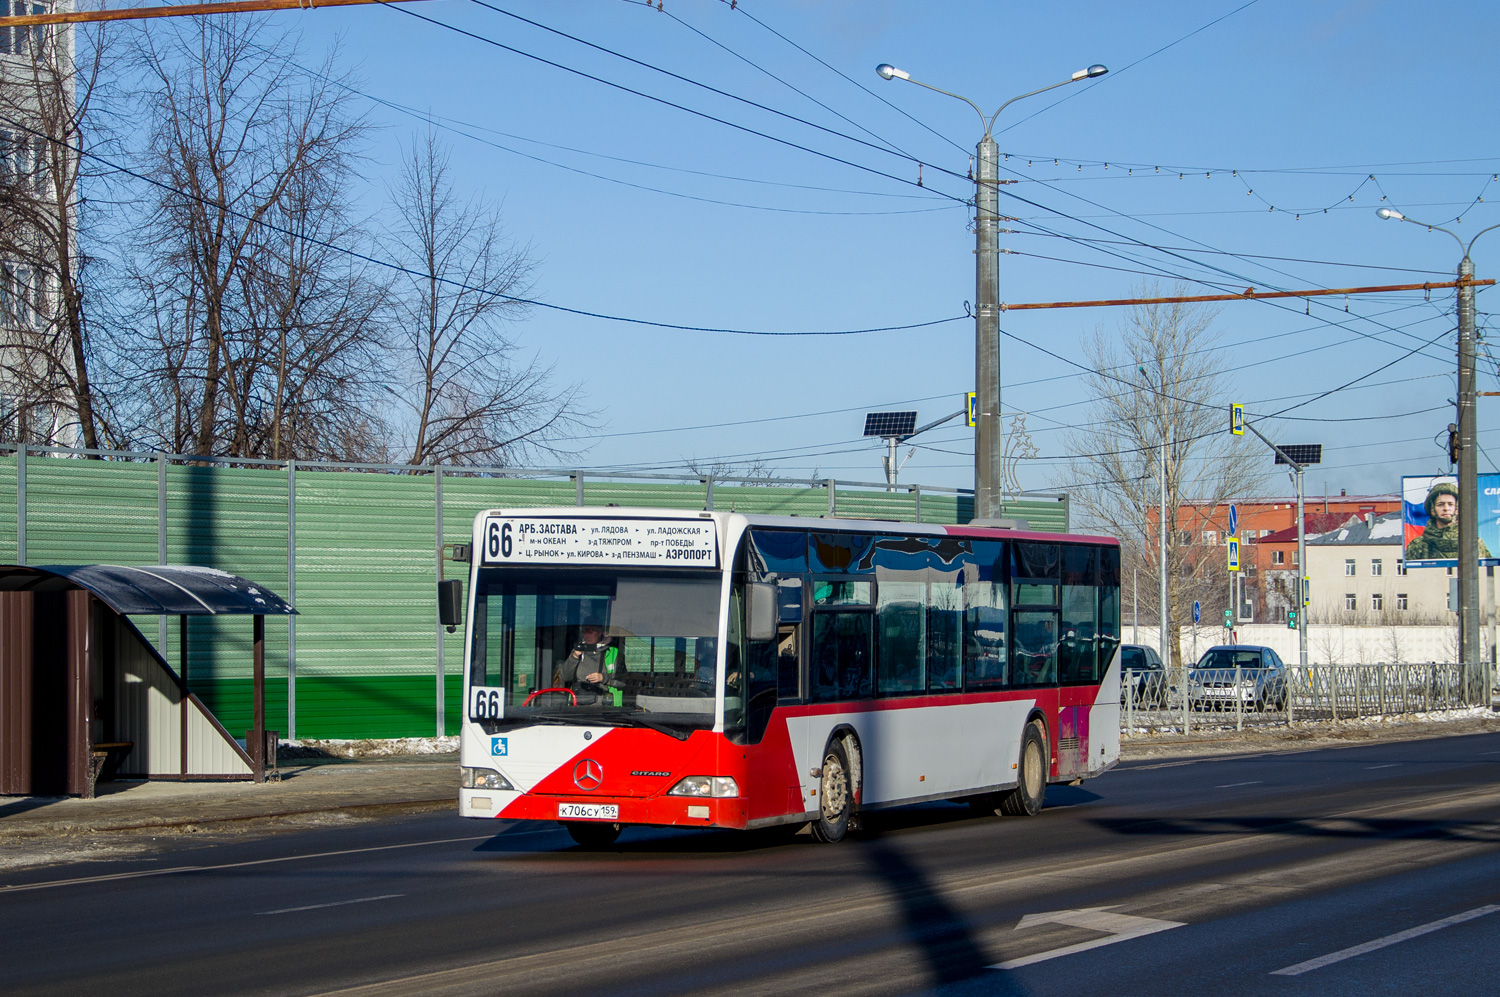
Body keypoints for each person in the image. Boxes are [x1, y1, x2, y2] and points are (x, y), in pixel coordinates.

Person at [1405, 482, 1492, 560]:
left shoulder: (1474, 544)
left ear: (1457, 509)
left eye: (1450, 504)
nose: (1446, 509)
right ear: (1432, 510)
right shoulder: (1418, 545)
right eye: (1440, 505)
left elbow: (1488, 572)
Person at [555, 618, 624, 705]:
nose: (586, 636)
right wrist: (574, 657)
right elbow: (565, 677)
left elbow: (623, 681)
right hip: (578, 706)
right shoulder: (578, 651)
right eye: (584, 632)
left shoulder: (613, 653)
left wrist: (603, 678)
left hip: (604, 707)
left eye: (589, 631)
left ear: (599, 633)